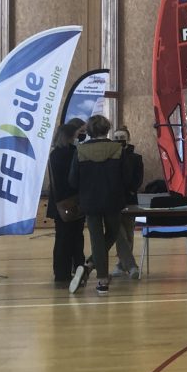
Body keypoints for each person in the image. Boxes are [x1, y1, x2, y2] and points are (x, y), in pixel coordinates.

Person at [68, 114, 134, 296]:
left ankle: (101, 280)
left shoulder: (80, 151)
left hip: (89, 202)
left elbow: (72, 181)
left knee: (96, 239)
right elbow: (127, 178)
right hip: (113, 200)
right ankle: (89, 264)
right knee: (113, 233)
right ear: (107, 129)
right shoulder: (118, 150)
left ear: (89, 131)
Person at [47, 122, 85, 286]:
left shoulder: (54, 154)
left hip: (58, 202)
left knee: (62, 238)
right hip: (72, 201)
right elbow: (75, 178)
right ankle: (78, 269)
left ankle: (61, 272)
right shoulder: (73, 153)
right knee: (76, 238)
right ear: (70, 136)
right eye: (77, 134)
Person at [110, 126, 143, 280]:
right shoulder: (110, 157)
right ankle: (127, 265)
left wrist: (128, 190)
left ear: (128, 139)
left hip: (129, 200)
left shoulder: (136, 158)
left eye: (122, 138)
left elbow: (138, 180)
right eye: (116, 138)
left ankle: (122, 265)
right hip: (113, 200)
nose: (119, 140)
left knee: (129, 232)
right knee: (119, 233)